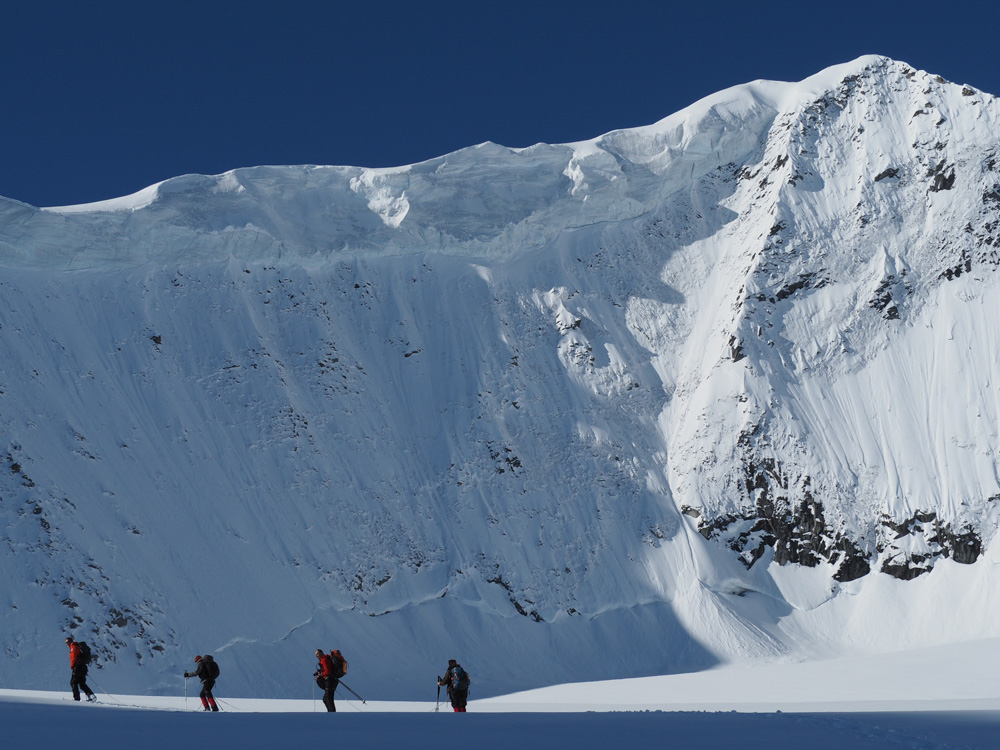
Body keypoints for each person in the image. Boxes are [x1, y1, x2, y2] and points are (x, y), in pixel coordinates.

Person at [65, 636, 96, 702]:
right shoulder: (77, 646)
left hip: (78, 667)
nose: (67, 644)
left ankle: (77, 699)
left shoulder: (73, 647)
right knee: (82, 683)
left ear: (71, 641)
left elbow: (74, 658)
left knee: (73, 683)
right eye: (66, 643)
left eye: (67, 642)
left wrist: (72, 666)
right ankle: (91, 695)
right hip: (83, 667)